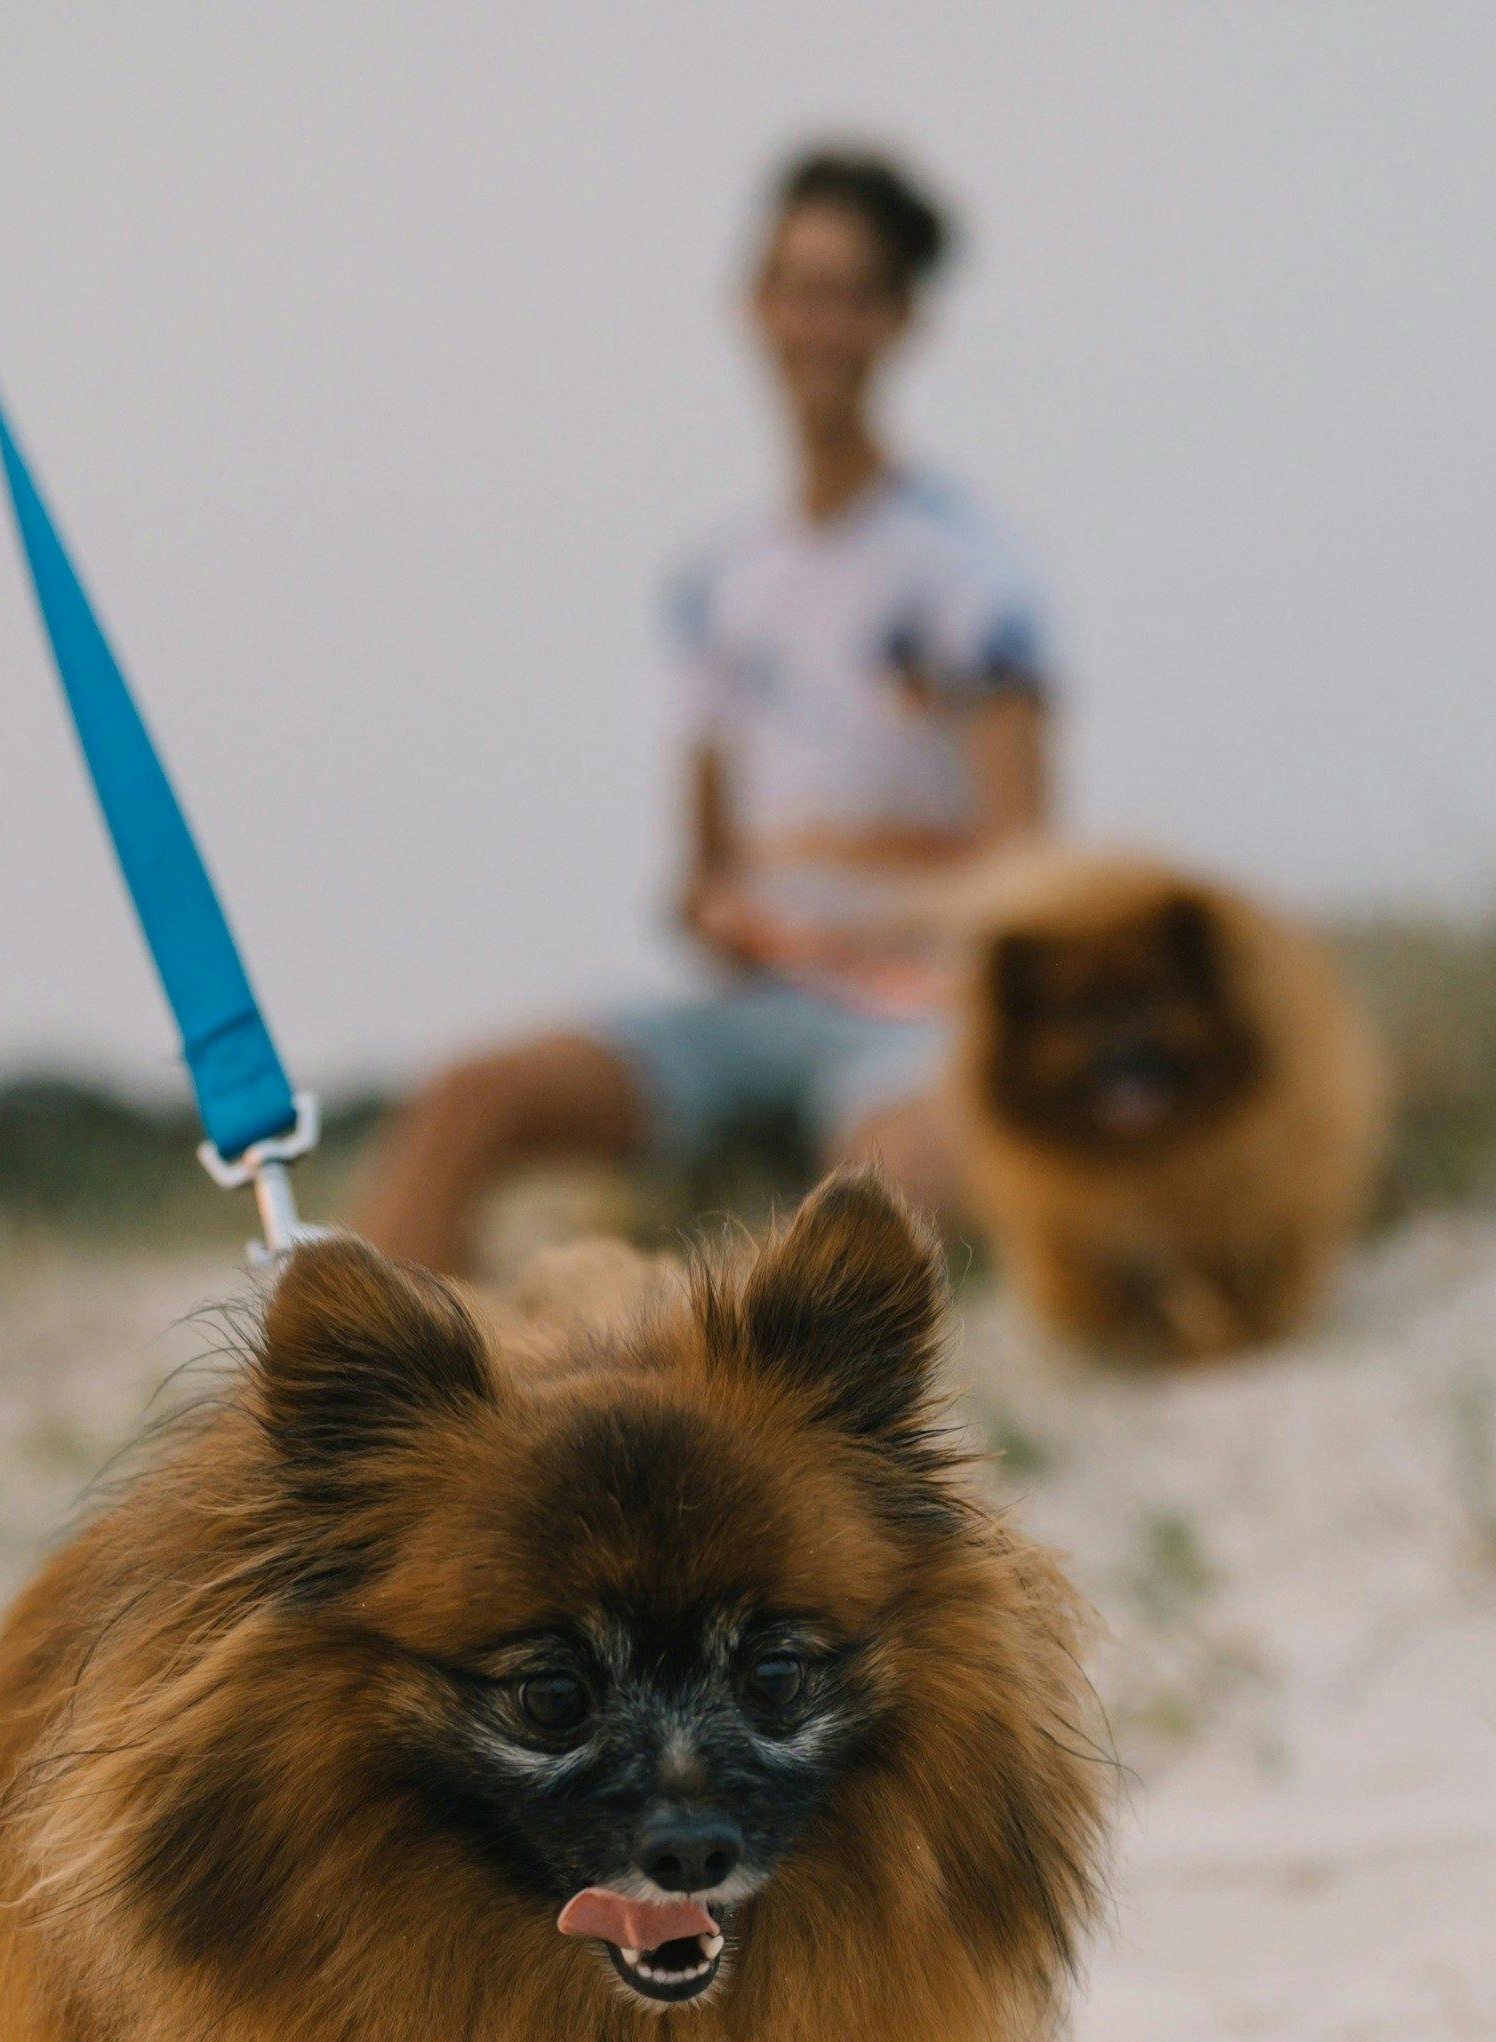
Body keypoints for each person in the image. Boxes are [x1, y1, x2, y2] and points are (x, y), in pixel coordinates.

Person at [356, 146, 1054, 1274]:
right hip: (749, 1015)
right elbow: (699, 879)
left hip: (913, 1019)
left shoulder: (967, 570)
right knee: (461, 1100)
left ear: (899, 322)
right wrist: (719, 909)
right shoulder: (717, 583)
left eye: (843, 295)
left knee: (865, 1211)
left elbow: (1028, 871)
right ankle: (354, 1423)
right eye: (791, 288)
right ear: (751, 305)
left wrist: (852, 925)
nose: (811, 325)